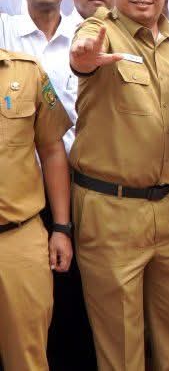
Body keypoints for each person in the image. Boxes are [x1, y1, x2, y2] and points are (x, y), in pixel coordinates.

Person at [66, 0, 169, 371]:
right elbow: (83, 56)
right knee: (122, 352)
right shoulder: (97, 30)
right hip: (111, 210)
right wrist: (84, 60)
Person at [0, 48, 73, 370]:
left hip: (18, 235)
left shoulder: (26, 71)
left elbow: (52, 149)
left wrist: (61, 228)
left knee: (28, 357)